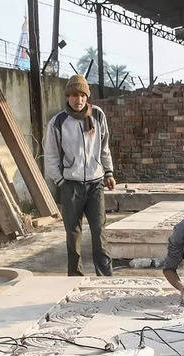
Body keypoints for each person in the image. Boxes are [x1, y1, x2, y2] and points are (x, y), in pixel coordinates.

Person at [42, 74, 116, 276]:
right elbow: (50, 155)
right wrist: (61, 181)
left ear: (87, 96)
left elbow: (104, 147)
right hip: (71, 186)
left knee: (99, 231)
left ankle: (105, 276)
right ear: (67, 97)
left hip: (95, 184)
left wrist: (108, 172)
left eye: (82, 95)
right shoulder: (58, 123)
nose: (78, 99)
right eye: (74, 95)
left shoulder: (98, 116)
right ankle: (74, 278)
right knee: (73, 234)